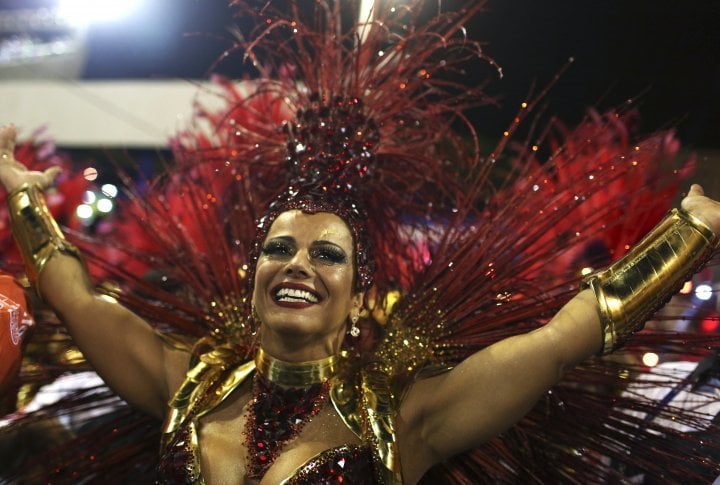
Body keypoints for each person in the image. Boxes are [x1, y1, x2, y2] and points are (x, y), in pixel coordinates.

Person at [1, 1, 719, 482]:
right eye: (279, 248)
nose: (298, 264)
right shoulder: (185, 387)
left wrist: (691, 235)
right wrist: (24, 194)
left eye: (328, 254)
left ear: (356, 300)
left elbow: (564, 336)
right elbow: (78, 296)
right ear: (251, 277)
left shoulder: (401, 419)